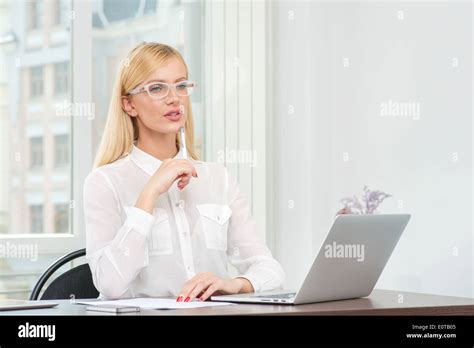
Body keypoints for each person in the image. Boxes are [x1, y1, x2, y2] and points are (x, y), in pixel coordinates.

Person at [83, 42, 285, 302]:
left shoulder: (217, 178)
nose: (174, 98)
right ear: (129, 104)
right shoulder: (104, 183)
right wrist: (150, 193)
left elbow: (270, 269)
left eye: (181, 85)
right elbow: (110, 284)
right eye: (156, 88)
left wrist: (236, 284)